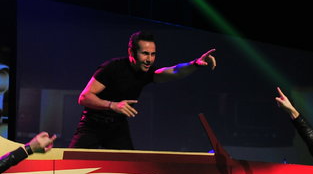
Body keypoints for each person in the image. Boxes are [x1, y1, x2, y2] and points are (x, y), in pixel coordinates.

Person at [68, 30, 217, 149]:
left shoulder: (147, 72)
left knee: (129, 167)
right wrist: (112, 105)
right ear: (131, 52)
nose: (149, 59)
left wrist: (195, 64)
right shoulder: (112, 68)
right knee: (73, 164)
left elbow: (175, 71)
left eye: (153, 54)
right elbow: (84, 97)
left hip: (117, 127)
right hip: (92, 125)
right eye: (145, 53)